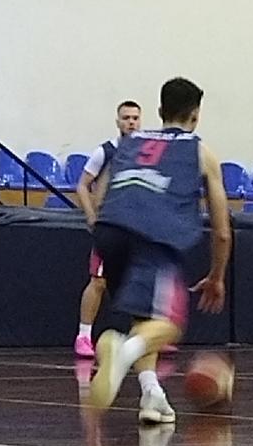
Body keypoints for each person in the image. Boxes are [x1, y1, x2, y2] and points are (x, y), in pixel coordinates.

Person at [86, 77, 233, 425]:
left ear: (159, 110)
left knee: (145, 317)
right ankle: (124, 351)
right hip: (152, 235)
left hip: (109, 231)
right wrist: (217, 276)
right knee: (170, 323)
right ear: (195, 115)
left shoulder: (130, 142)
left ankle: (152, 395)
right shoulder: (200, 152)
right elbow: (222, 231)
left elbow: (100, 191)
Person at [74, 100, 142, 357]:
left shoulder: (146, 154)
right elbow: (82, 185)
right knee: (99, 281)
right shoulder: (105, 152)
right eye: (126, 118)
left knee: (140, 280)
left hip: (135, 226)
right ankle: (83, 336)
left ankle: (145, 336)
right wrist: (92, 217)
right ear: (117, 121)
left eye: (135, 118)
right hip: (110, 225)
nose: (131, 122)